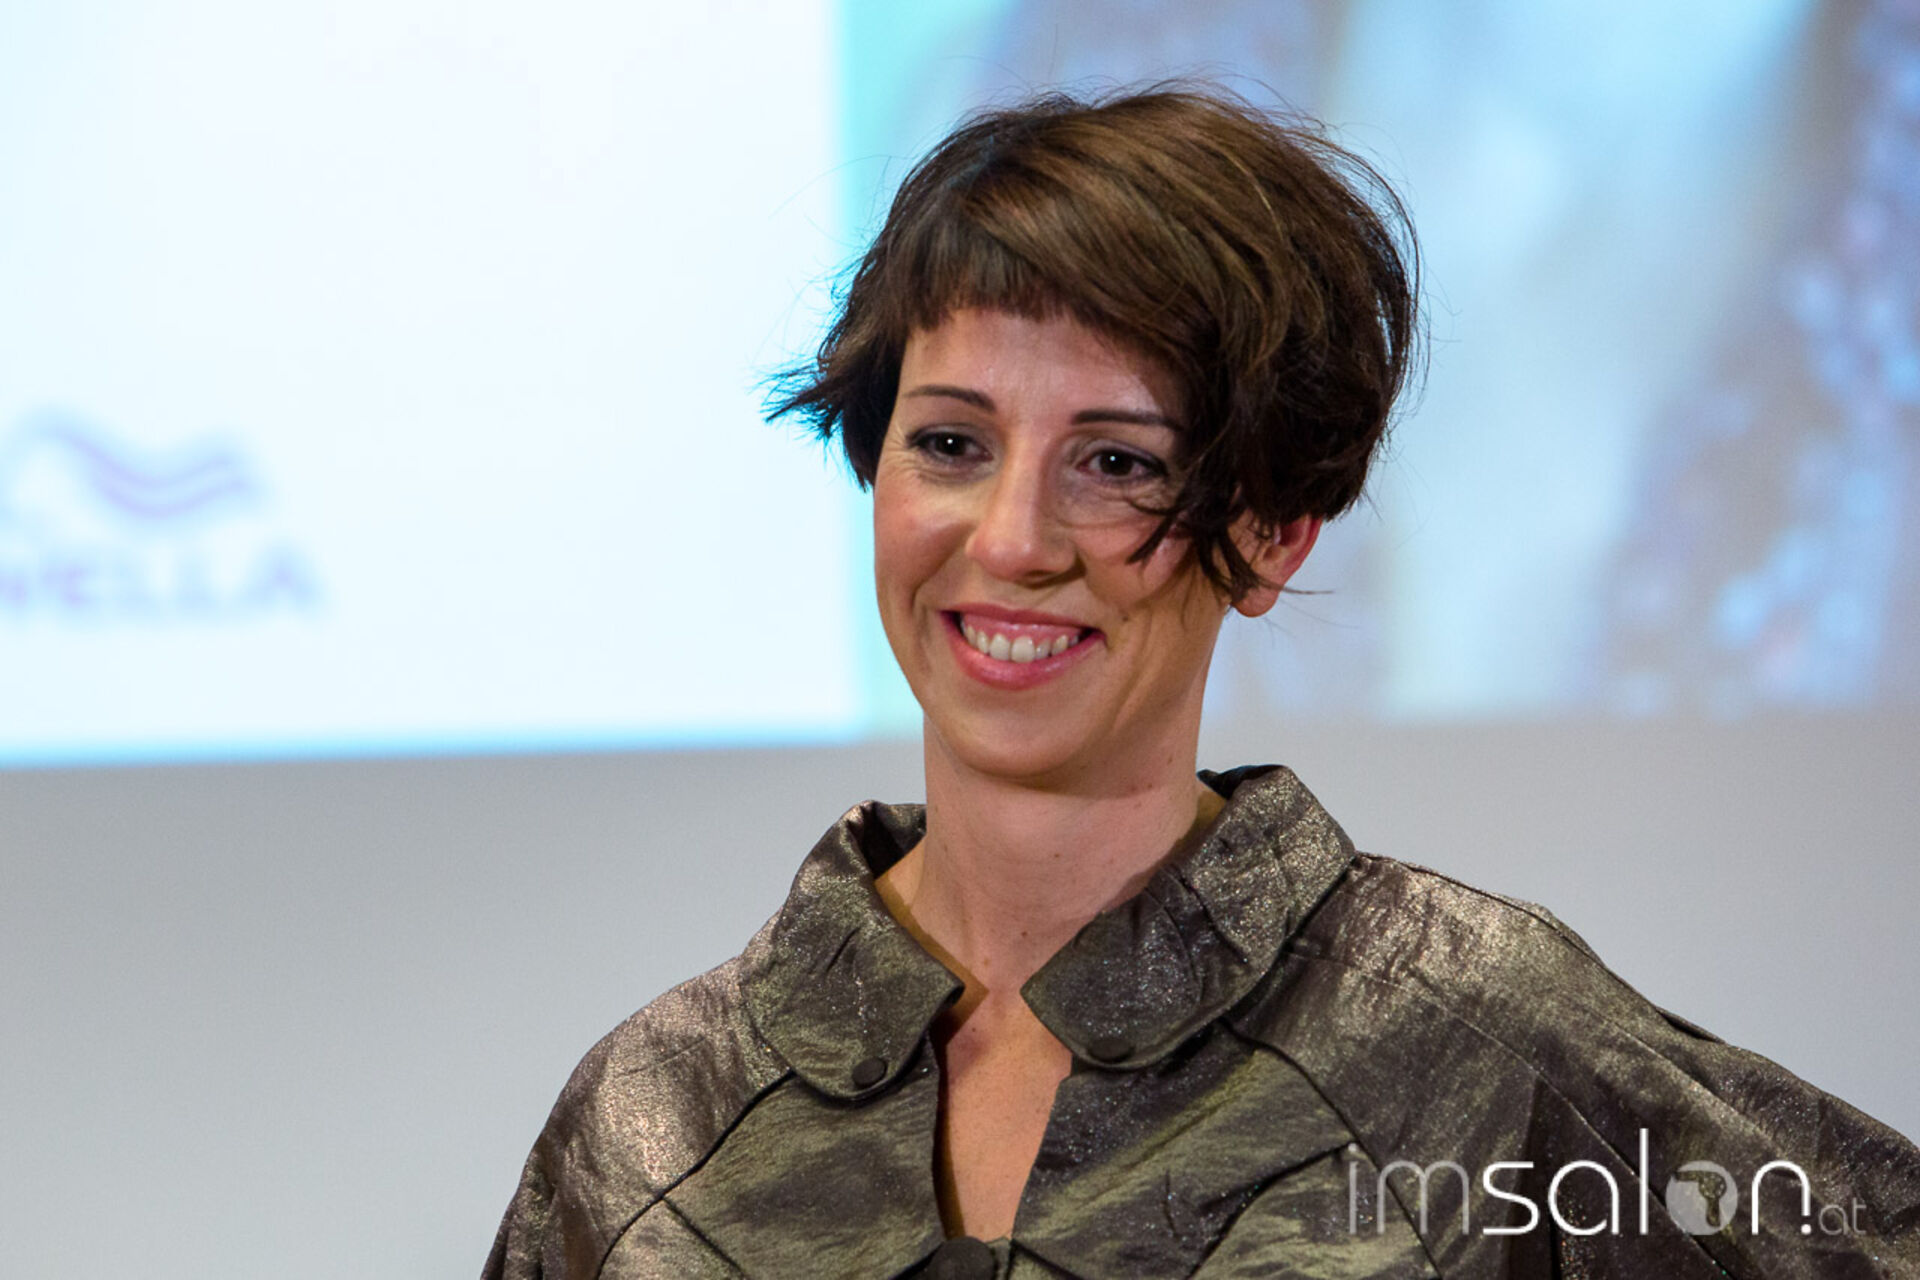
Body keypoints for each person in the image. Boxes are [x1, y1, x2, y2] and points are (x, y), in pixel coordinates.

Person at [484, 87, 1920, 1279]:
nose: (1012, 542)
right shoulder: (657, 1120)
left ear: (1272, 533)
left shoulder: (1472, 1042)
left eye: (1116, 462)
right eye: (952, 444)